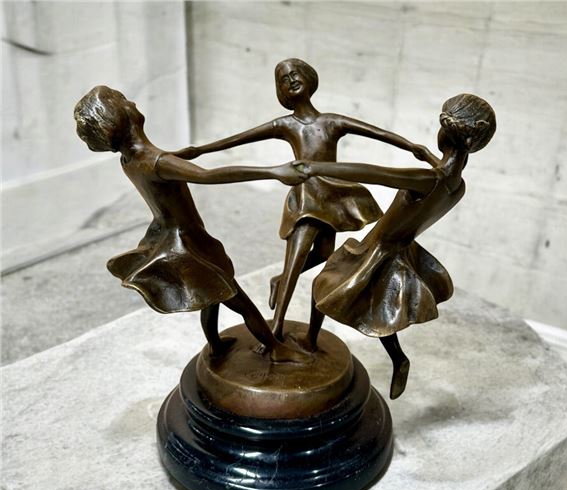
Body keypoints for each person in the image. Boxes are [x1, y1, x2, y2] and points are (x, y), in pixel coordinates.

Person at [173, 58, 432, 351]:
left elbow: (379, 133)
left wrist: (414, 147)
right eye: (283, 79)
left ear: (309, 78)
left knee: (323, 256)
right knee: (295, 263)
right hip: (307, 200)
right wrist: (197, 150)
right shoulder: (285, 125)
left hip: (333, 199)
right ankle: (276, 328)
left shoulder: (332, 121)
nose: (291, 80)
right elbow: (237, 140)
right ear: (280, 91)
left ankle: (280, 279)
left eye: (295, 74)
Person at [74, 85, 309, 363]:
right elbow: (208, 175)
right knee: (238, 299)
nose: (132, 102)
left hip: (166, 235)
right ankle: (275, 347)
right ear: (118, 117)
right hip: (188, 241)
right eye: (123, 99)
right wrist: (273, 171)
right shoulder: (157, 161)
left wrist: (178, 157)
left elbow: (161, 168)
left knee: (211, 292)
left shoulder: (129, 160)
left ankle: (216, 345)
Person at [296, 93, 496, 397]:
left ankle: (310, 341)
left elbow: (372, 173)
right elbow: (439, 178)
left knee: (322, 288)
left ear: (444, 133)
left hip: (376, 249)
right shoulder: (457, 187)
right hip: (403, 250)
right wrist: (428, 157)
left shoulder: (426, 179)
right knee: (379, 311)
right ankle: (398, 359)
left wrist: (315, 168)